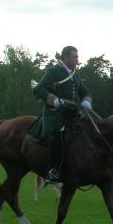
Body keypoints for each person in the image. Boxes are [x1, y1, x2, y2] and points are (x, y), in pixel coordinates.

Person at [31, 46, 92, 182]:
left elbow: (85, 91)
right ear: (65, 57)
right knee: (56, 135)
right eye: (75, 57)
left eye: (77, 57)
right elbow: (38, 89)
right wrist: (54, 100)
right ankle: (52, 170)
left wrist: (87, 101)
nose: (77, 59)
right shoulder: (53, 71)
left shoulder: (75, 74)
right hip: (55, 113)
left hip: (72, 113)